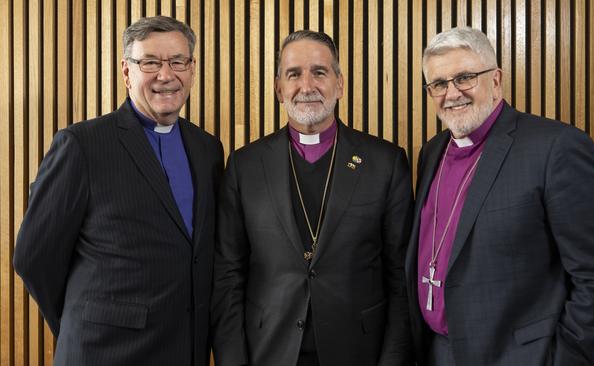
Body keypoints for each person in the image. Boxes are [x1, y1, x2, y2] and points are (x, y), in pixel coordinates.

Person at [405, 26, 594, 366]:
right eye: (438, 84)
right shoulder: (432, 152)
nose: (452, 93)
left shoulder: (555, 148)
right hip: (436, 353)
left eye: (465, 77)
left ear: (495, 80)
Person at [13, 16, 223, 365]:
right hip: (103, 351)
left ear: (192, 69)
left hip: (184, 352)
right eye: (150, 63)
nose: (165, 75)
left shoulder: (208, 150)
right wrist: (81, 322)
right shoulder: (82, 145)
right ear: (127, 72)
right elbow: (33, 257)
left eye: (177, 62)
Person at [211, 30, 413, 366]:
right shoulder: (245, 166)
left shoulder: (386, 163)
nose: (307, 86)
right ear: (279, 88)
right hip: (270, 351)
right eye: (294, 74)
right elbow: (228, 276)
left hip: (359, 352)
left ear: (340, 84)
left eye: (319, 72)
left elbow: (400, 279)